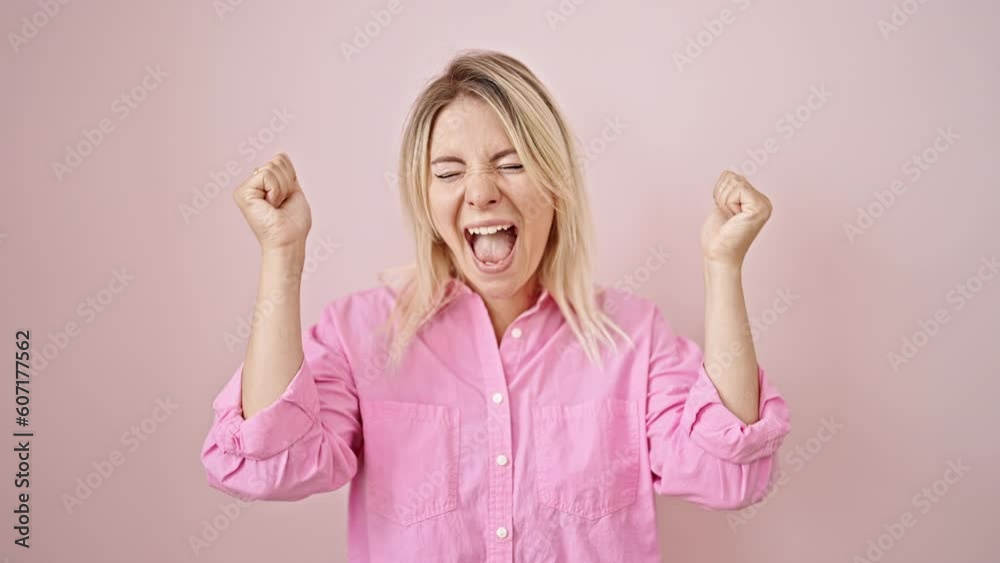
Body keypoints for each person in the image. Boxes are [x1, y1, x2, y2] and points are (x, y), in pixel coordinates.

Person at [200, 49, 791, 562]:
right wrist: (283, 253)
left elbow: (729, 474)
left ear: (556, 186)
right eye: (449, 171)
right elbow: (267, 463)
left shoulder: (635, 338)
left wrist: (722, 266)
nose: (481, 191)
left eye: (511, 164)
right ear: (426, 200)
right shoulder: (358, 335)